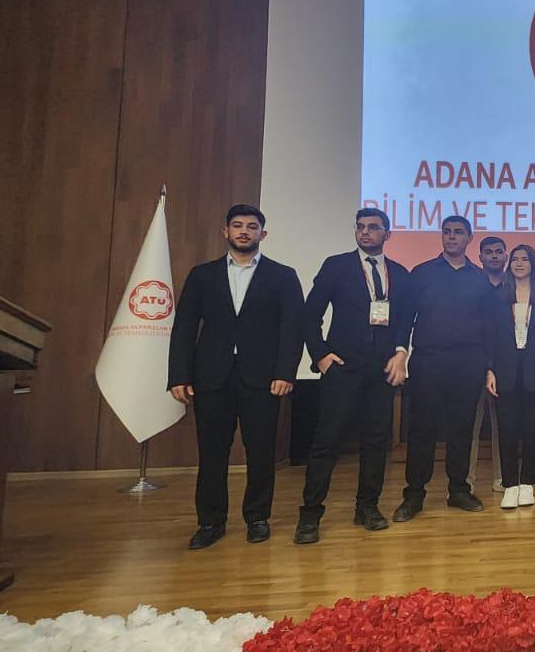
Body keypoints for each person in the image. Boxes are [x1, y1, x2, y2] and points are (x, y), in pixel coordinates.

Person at [169, 204, 304, 550]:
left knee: (261, 453)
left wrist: (286, 372)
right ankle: (210, 521)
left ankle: (257, 518)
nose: (245, 231)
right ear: (225, 232)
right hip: (211, 378)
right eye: (238, 225)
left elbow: (292, 329)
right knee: (211, 453)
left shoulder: (283, 276)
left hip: (263, 379)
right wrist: (179, 375)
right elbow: (184, 327)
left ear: (263, 234)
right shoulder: (202, 275)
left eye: (252, 226)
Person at [296, 208, 411, 544]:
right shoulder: (337, 266)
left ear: (387, 234)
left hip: (381, 371)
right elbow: (309, 315)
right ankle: (310, 515)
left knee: (376, 442)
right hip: (343, 368)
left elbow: (404, 320)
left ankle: (367, 507)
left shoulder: (399, 273)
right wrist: (320, 356)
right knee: (327, 441)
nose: (365, 232)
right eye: (360, 227)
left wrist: (401, 352)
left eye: (373, 227)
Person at [397, 215, 493, 518]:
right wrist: (400, 352)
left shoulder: (480, 278)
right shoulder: (421, 273)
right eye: (447, 232)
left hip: (469, 362)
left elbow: (489, 327)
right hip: (429, 360)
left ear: (469, 238)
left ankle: (458, 490)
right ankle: (414, 494)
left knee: (461, 429)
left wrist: (489, 365)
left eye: (458, 232)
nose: (452, 237)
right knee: (422, 429)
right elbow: (404, 318)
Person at [484, 244, 535, 510]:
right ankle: (510, 484)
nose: (519, 263)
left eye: (525, 259)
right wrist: (489, 369)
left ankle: (528, 484)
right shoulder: (497, 297)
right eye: (515, 259)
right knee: (508, 430)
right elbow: (489, 336)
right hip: (505, 371)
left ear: (533, 264)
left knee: (534, 431)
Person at [472, 236, 508, 494]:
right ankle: (465, 481)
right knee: (469, 426)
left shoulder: (515, 286)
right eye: (489, 252)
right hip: (473, 363)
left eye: (498, 252)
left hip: (506, 365)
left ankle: (503, 479)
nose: (494, 256)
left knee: (503, 427)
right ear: (480, 257)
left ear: (505, 256)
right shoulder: (471, 284)